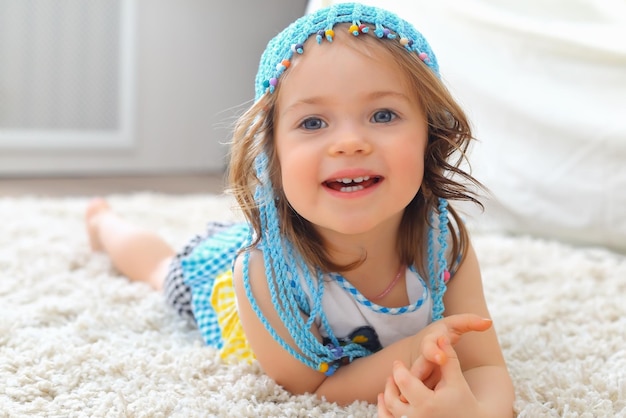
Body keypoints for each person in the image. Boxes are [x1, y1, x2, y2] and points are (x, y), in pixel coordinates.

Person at [85, 3, 514, 416]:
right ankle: (104, 224)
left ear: (430, 137)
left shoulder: (443, 245)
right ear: (273, 157)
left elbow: (484, 365)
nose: (349, 142)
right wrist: (415, 348)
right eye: (312, 123)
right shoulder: (258, 274)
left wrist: (479, 411)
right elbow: (313, 387)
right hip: (224, 277)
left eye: (383, 114)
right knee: (161, 270)